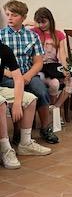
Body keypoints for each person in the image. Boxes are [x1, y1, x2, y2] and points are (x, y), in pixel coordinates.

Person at [0, 0, 59, 144]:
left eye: (14, 15)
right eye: (8, 14)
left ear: (24, 17)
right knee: (17, 92)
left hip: (28, 74)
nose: (10, 18)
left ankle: (45, 128)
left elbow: (38, 62)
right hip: (7, 76)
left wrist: (28, 76)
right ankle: (18, 131)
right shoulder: (1, 35)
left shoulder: (32, 36)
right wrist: (12, 75)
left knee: (42, 91)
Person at [0, 41, 52, 169]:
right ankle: (5, 149)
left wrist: (17, 103)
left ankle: (25, 144)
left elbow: (18, 78)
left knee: (30, 99)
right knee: (1, 104)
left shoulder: (4, 49)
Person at [31, 7, 72, 114]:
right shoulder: (34, 32)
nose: (41, 25)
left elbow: (62, 54)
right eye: (39, 22)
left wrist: (65, 69)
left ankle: (54, 109)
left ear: (50, 20)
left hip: (53, 68)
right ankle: (54, 114)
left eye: (44, 22)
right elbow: (22, 25)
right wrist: (33, 23)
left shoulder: (59, 34)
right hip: (39, 68)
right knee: (55, 83)